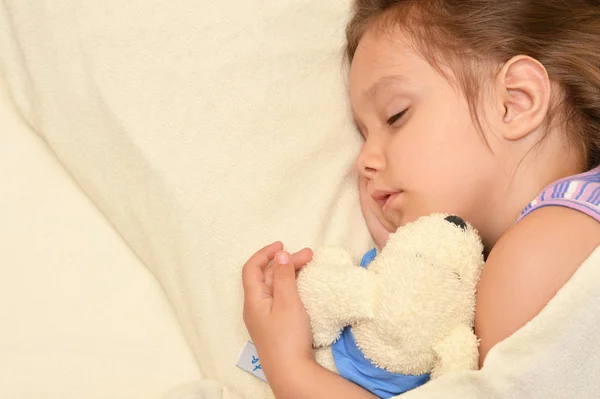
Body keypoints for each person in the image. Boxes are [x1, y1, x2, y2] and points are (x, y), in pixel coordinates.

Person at [242, 1, 600, 398]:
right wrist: (403, 256)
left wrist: (289, 367)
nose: (363, 161)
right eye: (362, 136)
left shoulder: (534, 259)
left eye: (396, 116)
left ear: (515, 101)